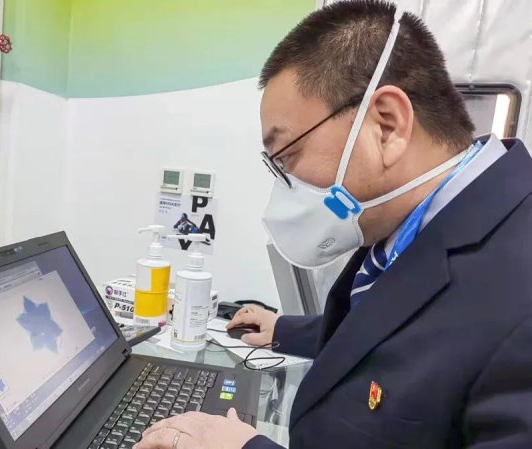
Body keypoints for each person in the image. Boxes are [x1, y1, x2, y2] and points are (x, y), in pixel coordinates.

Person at [136, 1, 532, 448]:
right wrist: (284, 329)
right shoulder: (409, 229)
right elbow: (391, 330)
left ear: (387, 126)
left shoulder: (520, 287)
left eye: (288, 155)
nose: (287, 187)